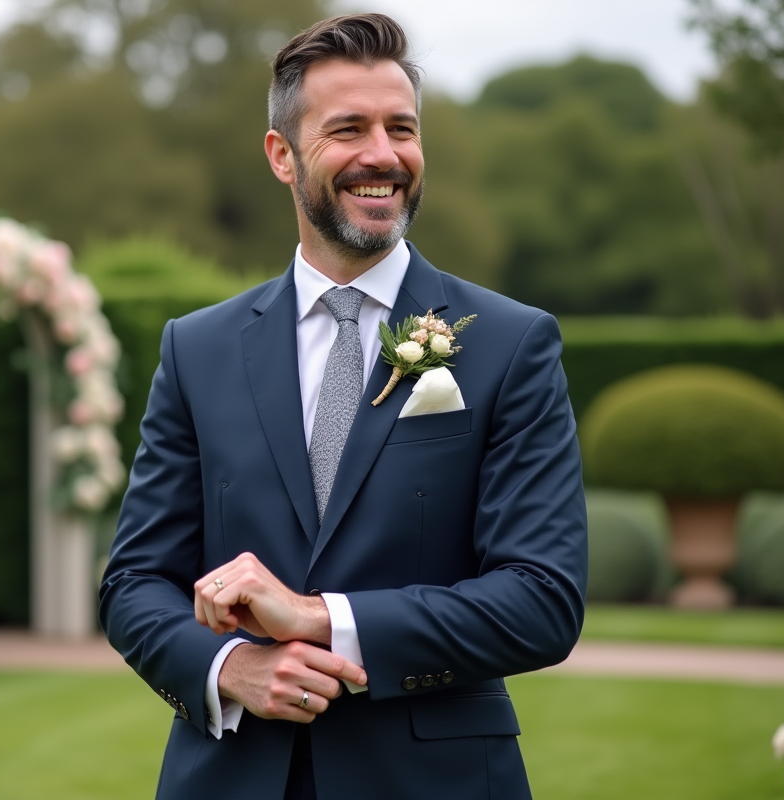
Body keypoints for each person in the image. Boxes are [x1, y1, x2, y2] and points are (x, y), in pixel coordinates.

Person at [99, 12, 587, 800]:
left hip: (436, 779)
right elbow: (134, 583)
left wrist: (318, 618)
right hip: (230, 777)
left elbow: (542, 599)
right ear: (282, 156)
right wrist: (231, 667)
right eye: (348, 129)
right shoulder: (198, 348)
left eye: (402, 128)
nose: (383, 155)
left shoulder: (511, 343)